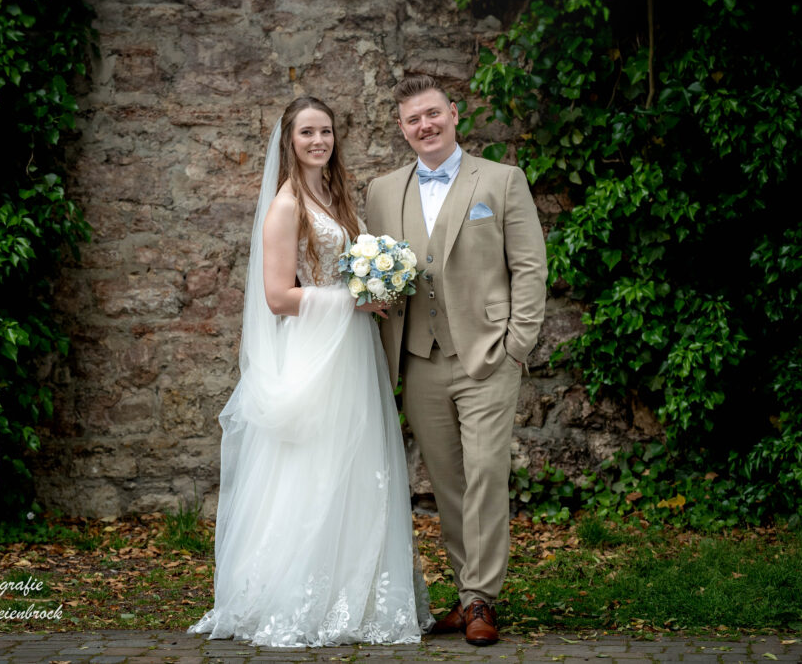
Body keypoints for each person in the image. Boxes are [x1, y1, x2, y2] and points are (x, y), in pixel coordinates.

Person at [187, 96, 433, 647]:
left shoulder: (332, 193)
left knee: (356, 466)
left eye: (326, 131)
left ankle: (359, 593)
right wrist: (352, 298)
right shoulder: (286, 205)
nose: (319, 141)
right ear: (289, 142)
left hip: (350, 348)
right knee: (316, 468)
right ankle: (297, 596)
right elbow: (277, 296)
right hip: (317, 349)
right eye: (307, 133)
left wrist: (373, 284)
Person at [365, 75, 547, 646]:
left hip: (486, 356)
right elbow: (373, 269)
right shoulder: (381, 190)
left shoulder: (500, 180)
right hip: (418, 359)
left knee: (487, 475)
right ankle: (466, 592)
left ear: (454, 114)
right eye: (413, 119)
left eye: (433, 114)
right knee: (447, 482)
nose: (426, 125)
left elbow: (530, 267)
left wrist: (516, 344)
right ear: (402, 128)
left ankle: (480, 601)